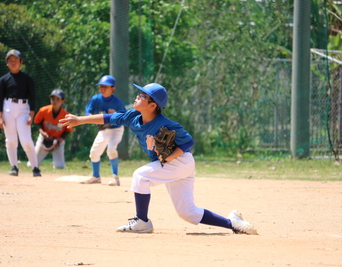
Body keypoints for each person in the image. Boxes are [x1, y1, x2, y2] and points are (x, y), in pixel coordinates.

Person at [60, 82, 257, 235]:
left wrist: (169, 156)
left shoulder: (166, 124)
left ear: (152, 105)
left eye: (143, 95)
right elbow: (109, 119)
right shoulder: (132, 117)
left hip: (180, 162)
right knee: (187, 213)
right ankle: (234, 223)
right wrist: (79, 120)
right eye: (139, 93)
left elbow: (188, 142)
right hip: (171, 165)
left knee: (140, 176)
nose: (138, 96)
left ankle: (142, 221)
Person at [0, 49, 41, 177]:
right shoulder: (3, 79)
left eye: (15, 60)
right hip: (8, 108)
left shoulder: (27, 79)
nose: (13, 62)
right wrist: (0, 117)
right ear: (7, 63)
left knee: (26, 140)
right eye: (10, 60)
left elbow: (33, 97)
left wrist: (31, 115)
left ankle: (35, 168)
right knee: (11, 140)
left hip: (23, 109)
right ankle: (14, 167)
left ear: (21, 62)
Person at [80, 75, 126, 186]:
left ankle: (115, 177)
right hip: (104, 130)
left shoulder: (117, 102)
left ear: (113, 88)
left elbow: (124, 117)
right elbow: (88, 112)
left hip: (116, 129)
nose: (102, 88)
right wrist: (91, 117)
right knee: (94, 152)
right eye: (101, 86)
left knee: (111, 149)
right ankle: (96, 177)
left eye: (106, 86)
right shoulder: (96, 99)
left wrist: (115, 115)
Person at [28, 89, 72, 169]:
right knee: (32, 164)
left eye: (57, 99)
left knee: (60, 167)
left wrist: (60, 140)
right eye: (52, 99)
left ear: (63, 101)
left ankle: (58, 163)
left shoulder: (66, 115)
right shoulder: (44, 110)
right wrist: (42, 133)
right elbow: (38, 122)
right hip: (44, 138)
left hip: (58, 141)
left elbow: (68, 130)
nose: (54, 101)